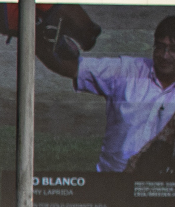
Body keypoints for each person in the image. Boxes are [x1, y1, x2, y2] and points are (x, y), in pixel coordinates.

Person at [39, 14, 175, 173]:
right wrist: (34, 39)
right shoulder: (126, 71)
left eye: (173, 49)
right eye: (160, 47)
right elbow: (75, 68)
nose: (165, 55)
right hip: (112, 181)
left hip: (162, 185)